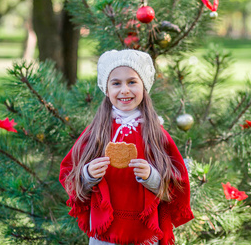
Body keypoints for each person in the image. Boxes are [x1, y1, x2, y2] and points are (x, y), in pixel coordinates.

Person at [59, 49, 193, 245]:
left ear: (144, 85)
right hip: (104, 229)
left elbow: (177, 182)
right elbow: (69, 173)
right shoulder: (97, 130)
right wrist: (88, 174)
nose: (124, 90)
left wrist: (152, 177)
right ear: (106, 89)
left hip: (144, 229)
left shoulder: (154, 132)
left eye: (132, 82)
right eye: (116, 83)